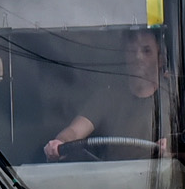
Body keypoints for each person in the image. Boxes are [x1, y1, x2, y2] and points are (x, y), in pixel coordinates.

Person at [43, 29, 176, 161]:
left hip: (158, 179)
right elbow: (75, 131)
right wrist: (60, 142)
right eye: (131, 51)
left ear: (161, 60)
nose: (138, 57)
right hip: (112, 179)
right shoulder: (107, 97)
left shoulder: (174, 100)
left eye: (146, 51)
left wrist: (173, 151)